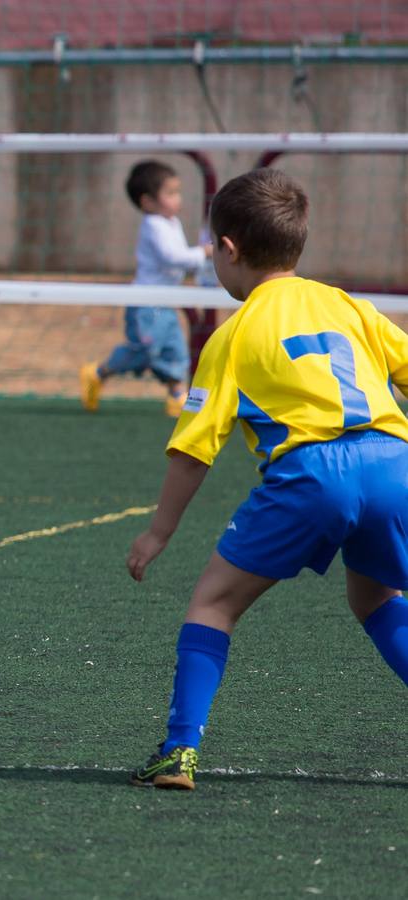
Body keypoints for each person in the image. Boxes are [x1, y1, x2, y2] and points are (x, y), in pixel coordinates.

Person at [124, 169, 408, 789]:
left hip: (312, 474)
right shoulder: (348, 305)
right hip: (393, 461)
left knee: (213, 603)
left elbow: (195, 449)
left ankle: (178, 752)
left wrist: (158, 532)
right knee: (377, 597)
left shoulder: (232, 335)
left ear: (227, 249)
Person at [81, 160, 212, 416]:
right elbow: (172, 257)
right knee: (146, 351)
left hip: (165, 302)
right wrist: (204, 253)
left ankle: (177, 395)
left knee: (175, 348)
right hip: (146, 303)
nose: (178, 199)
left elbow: (181, 260)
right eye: (171, 193)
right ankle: (98, 372)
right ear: (148, 202)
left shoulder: (171, 223)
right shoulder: (153, 225)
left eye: (178, 192)